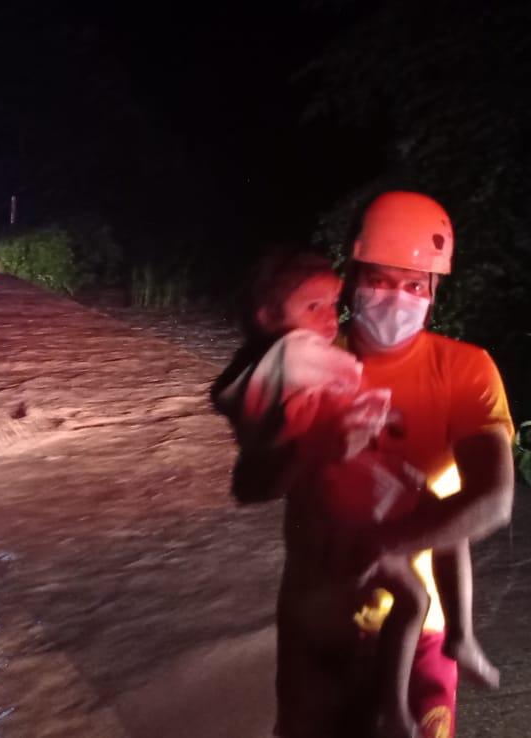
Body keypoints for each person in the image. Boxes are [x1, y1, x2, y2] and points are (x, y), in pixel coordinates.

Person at [212, 252, 431, 738]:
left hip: (378, 584)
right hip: (322, 586)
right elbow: (250, 484)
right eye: (315, 307)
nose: (331, 318)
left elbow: (487, 502)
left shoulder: (452, 365)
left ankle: (397, 703)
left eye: (334, 305)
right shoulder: (297, 360)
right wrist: (320, 447)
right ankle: (394, 707)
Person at [343, 191, 514, 737]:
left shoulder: (464, 370)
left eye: (415, 284)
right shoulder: (315, 363)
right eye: (380, 279)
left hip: (426, 635)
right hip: (323, 626)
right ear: (352, 274)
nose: (396, 298)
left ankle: (460, 640)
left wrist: (391, 545)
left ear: (435, 290)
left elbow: (494, 500)